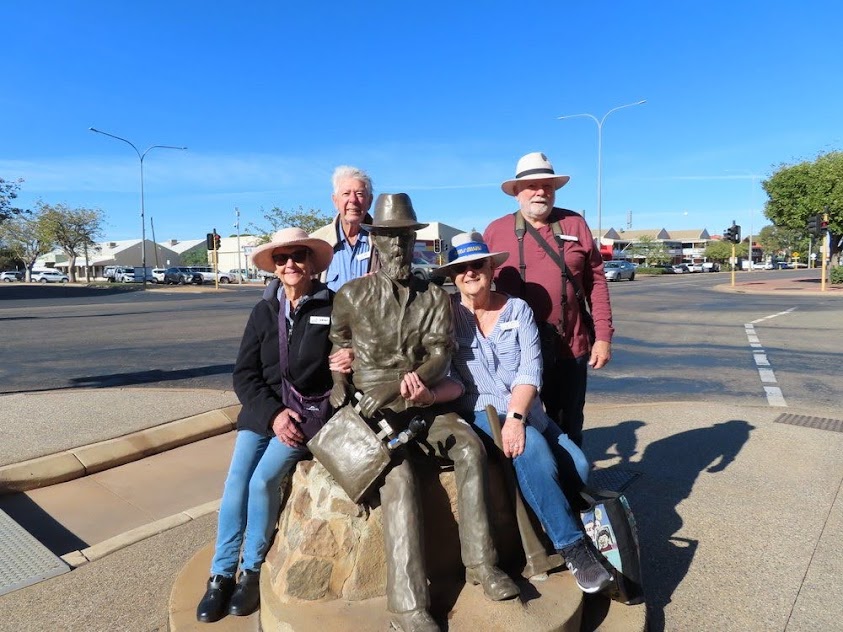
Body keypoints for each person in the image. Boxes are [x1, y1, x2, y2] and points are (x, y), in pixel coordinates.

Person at [329, 194, 519, 632]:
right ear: (376, 242)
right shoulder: (351, 296)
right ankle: (408, 606)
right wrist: (339, 382)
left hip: (422, 398)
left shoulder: (434, 296)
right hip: (373, 411)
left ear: (414, 241)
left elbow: (440, 354)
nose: (398, 246)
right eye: (389, 238)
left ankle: (483, 565)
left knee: (470, 447)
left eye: (404, 238)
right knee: (399, 478)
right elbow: (339, 345)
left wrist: (407, 384)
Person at [402, 231, 612, 595]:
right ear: (453, 276)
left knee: (578, 467)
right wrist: (429, 395)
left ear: (491, 268)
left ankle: (551, 513)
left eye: (478, 264)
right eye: (462, 268)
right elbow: (454, 383)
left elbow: (530, 371)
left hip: (526, 409)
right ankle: (572, 547)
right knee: (535, 453)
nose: (470, 272)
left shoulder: (517, 310)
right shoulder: (446, 317)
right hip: (481, 410)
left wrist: (516, 418)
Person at [196, 228, 346, 623]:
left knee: (262, 481)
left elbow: (350, 355)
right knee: (236, 483)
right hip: (264, 413)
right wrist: (273, 414)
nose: (290, 264)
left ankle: (251, 570)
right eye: (281, 258)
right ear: (274, 267)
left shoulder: (333, 307)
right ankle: (221, 573)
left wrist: (349, 358)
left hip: (306, 414)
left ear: (312, 263)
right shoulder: (263, 311)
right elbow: (244, 375)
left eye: (298, 255)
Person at [484, 151, 614, 447]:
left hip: (570, 347)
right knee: (519, 426)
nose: (541, 192)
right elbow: (476, 288)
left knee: (569, 425)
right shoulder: (495, 231)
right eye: (532, 186)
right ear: (516, 192)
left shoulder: (575, 224)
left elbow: (596, 283)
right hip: (513, 355)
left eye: (548, 186)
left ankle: (571, 476)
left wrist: (603, 337)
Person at [311, 165, 380, 291]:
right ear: (335, 200)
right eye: (346, 193)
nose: (353, 200)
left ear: (370, 201)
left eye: (359, 194)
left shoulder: (383, 241)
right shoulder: (317, 242)